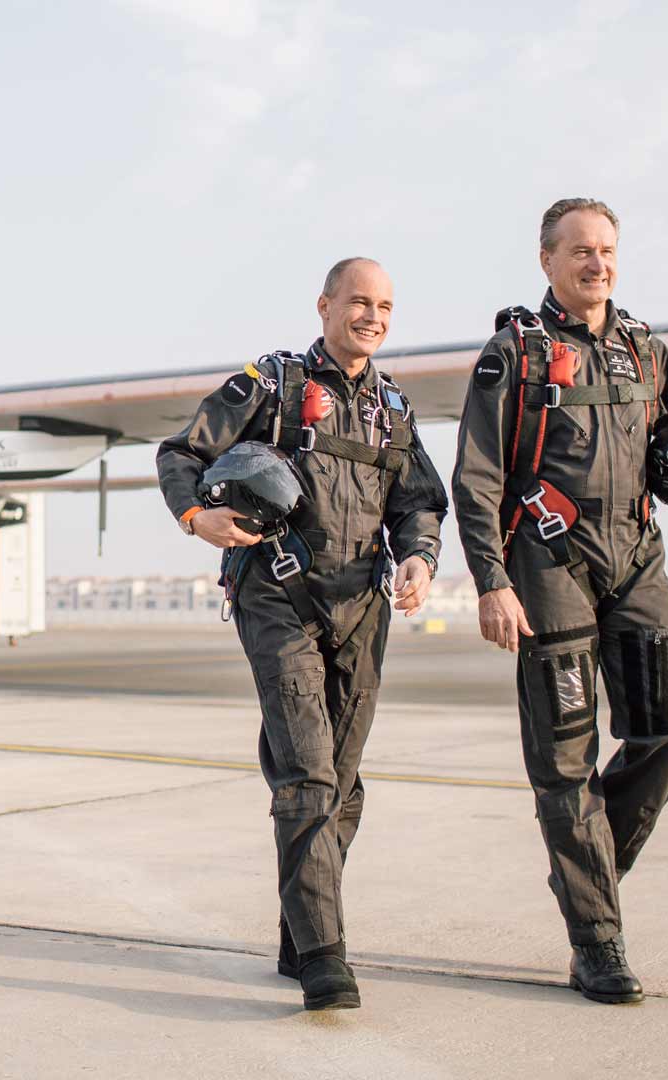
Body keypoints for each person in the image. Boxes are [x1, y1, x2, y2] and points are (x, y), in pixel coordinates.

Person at [451, 198, 668, 1004]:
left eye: (608, 249)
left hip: (636, 562)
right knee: (565, 765)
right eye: (581, 250)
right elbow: (478, 479)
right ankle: (598, 943)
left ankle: (581, 873)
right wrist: (491, 581)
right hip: (549, 564)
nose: (598, 263)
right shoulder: (512, 354)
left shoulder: (645, 351)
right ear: (547, 259)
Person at [156, 257, 449, 1011]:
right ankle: (324, 955)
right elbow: (180, 452)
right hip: (277, 598)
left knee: (344, 783)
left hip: (363, 607)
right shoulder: (273, 385)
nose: (372, 316)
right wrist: (198, 517)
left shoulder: (393, 409)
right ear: (324, 305)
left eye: (385, 305)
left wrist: (419, 558)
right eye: (358, 301)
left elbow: (419, 500)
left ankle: (298, 923)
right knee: (309, 774)